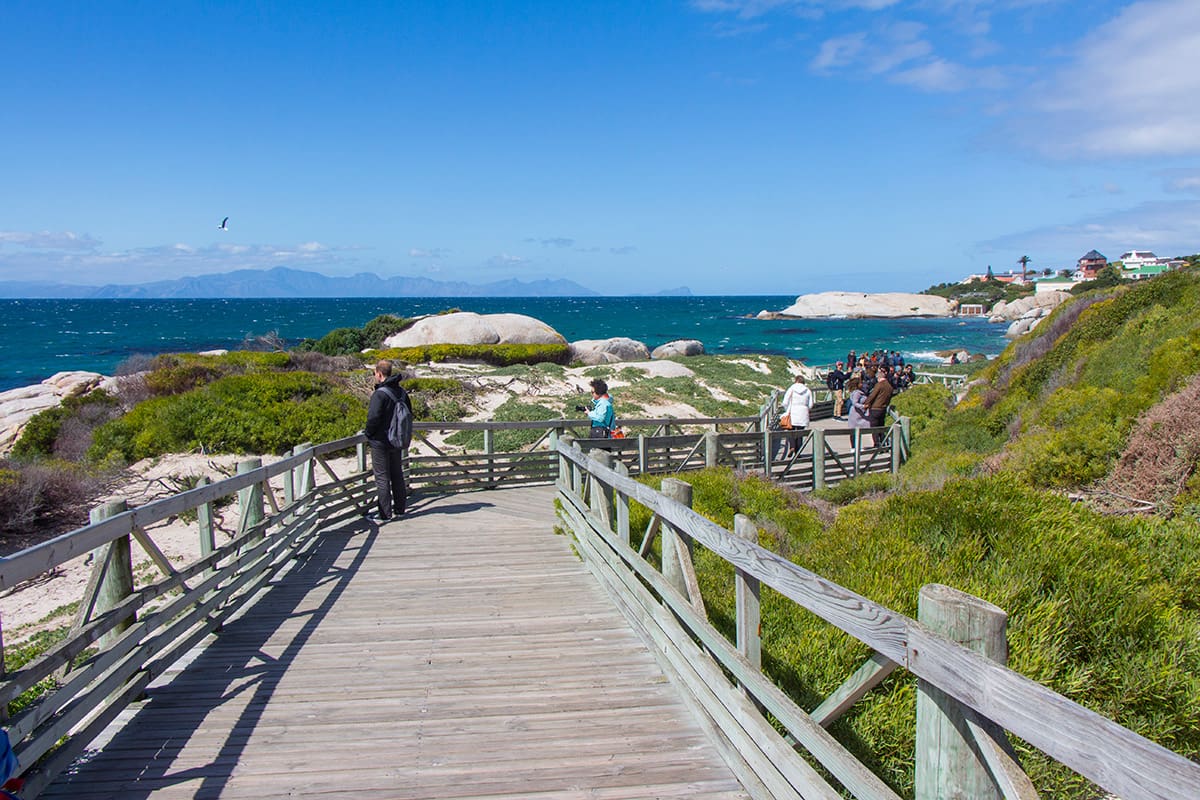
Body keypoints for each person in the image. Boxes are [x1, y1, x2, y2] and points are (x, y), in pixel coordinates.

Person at [364, 359, 412, 522]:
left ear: (378, 373)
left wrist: (368, 434)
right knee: (397, 474)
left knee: (382, 477)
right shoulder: (401, 393)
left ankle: (385, 514)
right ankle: (400, 509)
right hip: (397, 440)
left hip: (380, 441)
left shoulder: (380, 394)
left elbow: (373, 418)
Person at [777, 374, 813, 458]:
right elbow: (811, 404)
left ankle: (792, 446)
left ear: (796, 381)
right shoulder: (807, 390)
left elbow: (785, 402)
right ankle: (798, 452)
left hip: (793, 412)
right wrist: (806, 409)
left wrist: (787, 409)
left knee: (790, 430)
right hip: (803, 413)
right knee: (800, 434)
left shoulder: (792, 388)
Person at [864, 366, 894, 446]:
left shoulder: (879, 385)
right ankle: (883, 442)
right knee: (881, 426)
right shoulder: (889, 386)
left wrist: (866, 403)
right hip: (883, 408)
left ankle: (877, 444)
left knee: (874, 428)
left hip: (875, 408)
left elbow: (872, 395)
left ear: (879, 377)